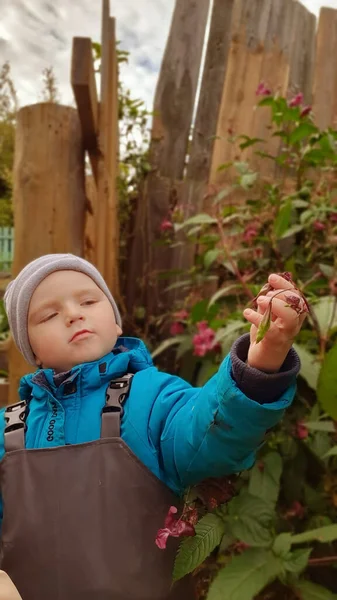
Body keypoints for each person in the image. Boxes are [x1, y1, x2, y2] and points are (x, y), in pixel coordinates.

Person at [0, 254, 305, 600]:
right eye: (49, 315)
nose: (73, 314)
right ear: (31, 349)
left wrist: (261, 363)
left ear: (116, 324)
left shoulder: (151, 397)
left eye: (87, 300)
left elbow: (209, 432)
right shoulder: (9, 429)